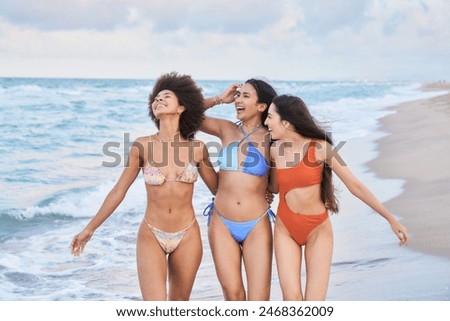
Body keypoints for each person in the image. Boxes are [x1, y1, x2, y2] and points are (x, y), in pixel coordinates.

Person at [70, 72, 218, 300]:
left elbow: (219, 191)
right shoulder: (142, 145)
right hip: (151, 234)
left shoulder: (198, 148)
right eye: (156, 98)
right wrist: (89, 229)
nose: (158, 100)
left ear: (181, 107)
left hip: (188, 235)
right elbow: (119, 190)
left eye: (166, 96)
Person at [264, 94, 409, 301]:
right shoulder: (274, 151)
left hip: (317, 230)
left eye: (270, 117)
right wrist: (265, 192)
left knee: (314, 303)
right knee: (292, 299)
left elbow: (355, 185)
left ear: (286, 122)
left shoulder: (321, 149)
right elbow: (275, 187)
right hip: (285, 227)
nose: (266, 122)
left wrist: (391, 219)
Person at [201, 78, 277, 300]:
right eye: (237, 95)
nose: (238, 100)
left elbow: (276, 185)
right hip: (221, 222)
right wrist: (218, 99)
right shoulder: (226, 129)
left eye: (245, 96)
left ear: (261, 106)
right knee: (233, 295)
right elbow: (187, 116)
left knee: (259, 298)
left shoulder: (271, 136)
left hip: (257, 223)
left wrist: (269, 190)